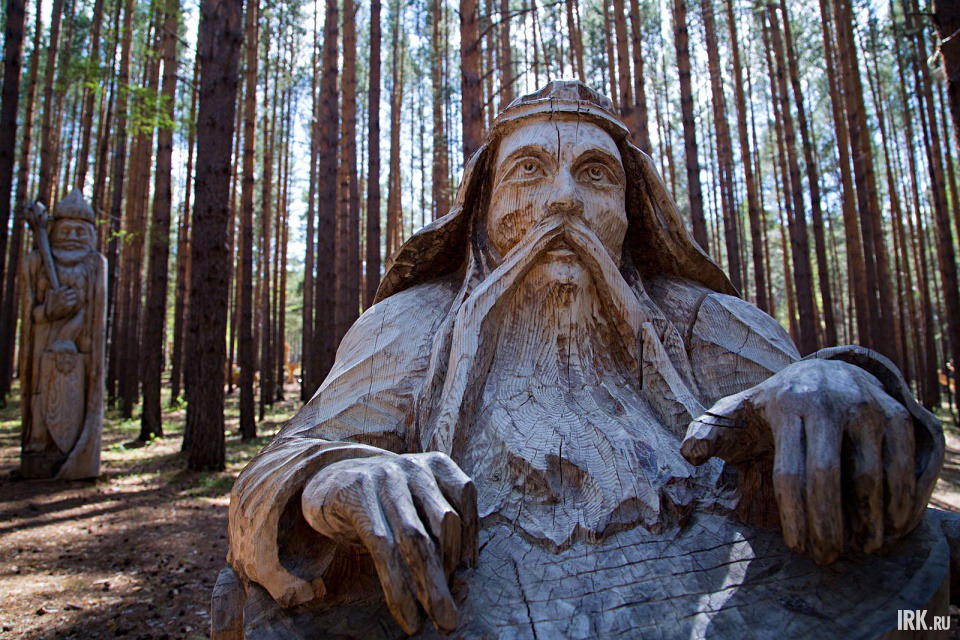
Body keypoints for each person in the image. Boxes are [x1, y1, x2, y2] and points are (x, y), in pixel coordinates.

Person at [225, 82, 945, 639]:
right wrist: (335, 479)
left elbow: (823, 408)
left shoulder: (703, 320)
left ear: (633, 213)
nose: (562, 201)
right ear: (481, 209)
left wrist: (838, 380)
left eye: (596, 175)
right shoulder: (409, 326)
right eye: (529, 171)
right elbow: (278, 473)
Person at [20, 188, 106, 480]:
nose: (71, 237)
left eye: (79, 232)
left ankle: (74, 450)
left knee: (71, 396)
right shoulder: (36, 263)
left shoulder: (94, 266)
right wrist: (48, 311)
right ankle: (37, 442)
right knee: (39, 394)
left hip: (79, 353)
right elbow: (29, 311)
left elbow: (95, 320)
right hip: (43, 347)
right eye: (65, 230)